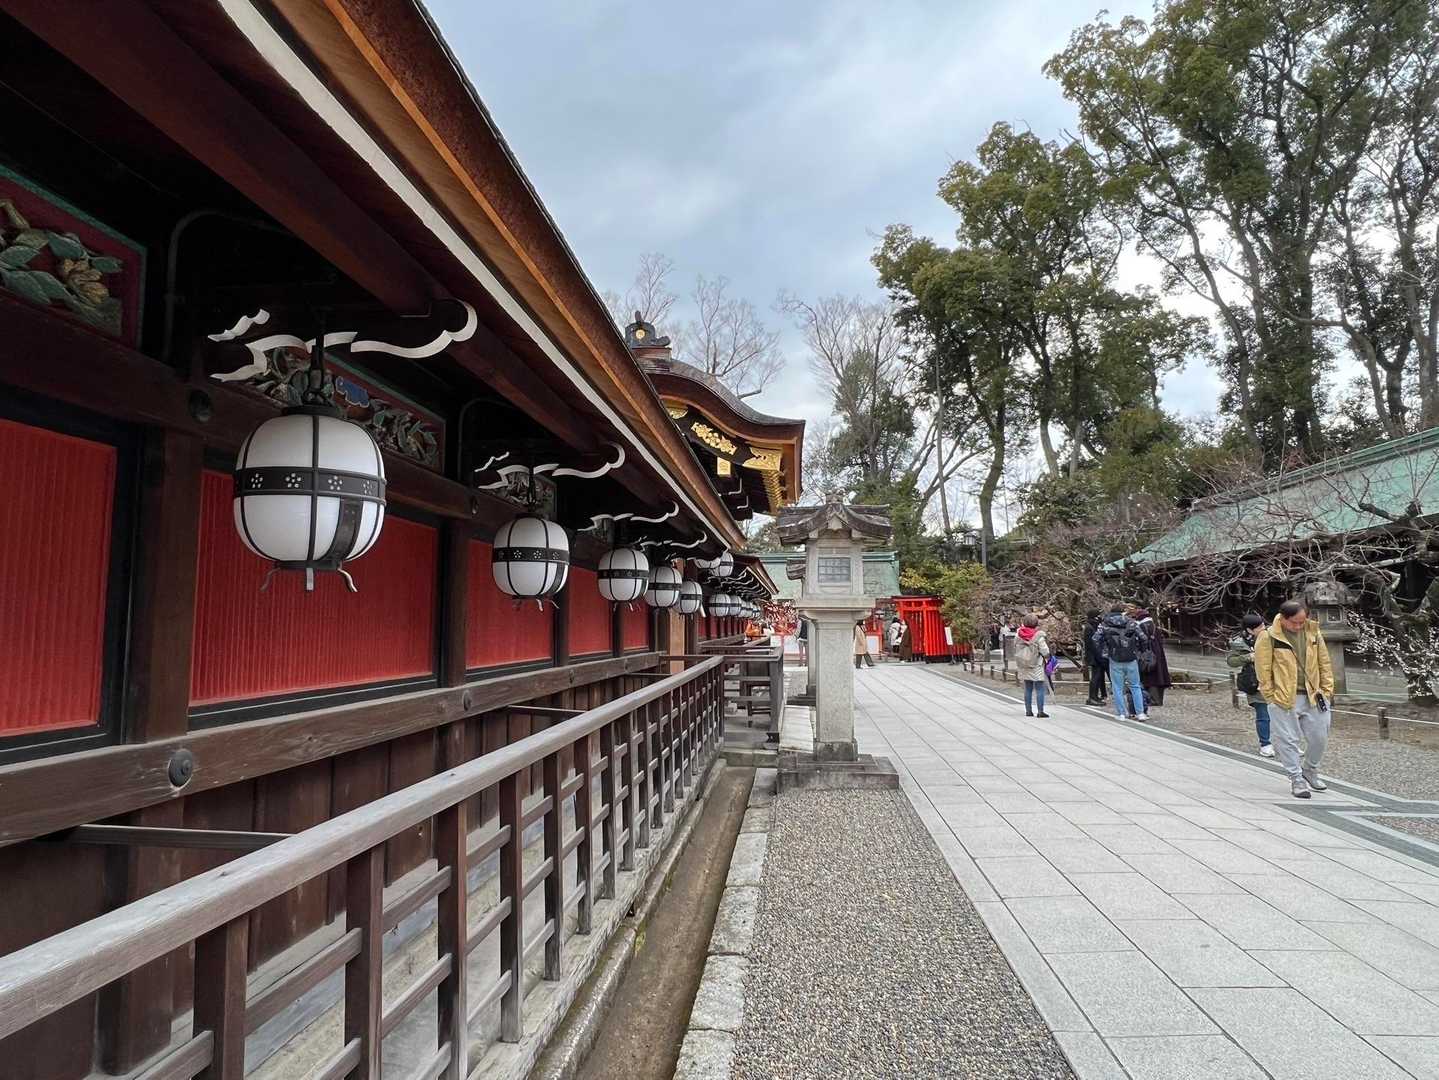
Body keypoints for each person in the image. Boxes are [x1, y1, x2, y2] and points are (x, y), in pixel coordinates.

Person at [1255, 599, 1334, 799]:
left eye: (1302, 621)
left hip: (1314, 694)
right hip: (1283, 696)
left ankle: (1310, 769)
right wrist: (1270, 696)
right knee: (1288, 740)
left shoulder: (1313, 632)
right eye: (1294, 622)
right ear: (1283, 618)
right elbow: (1263, 670)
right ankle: (1296, 778)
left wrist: (1327, 690)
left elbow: (1324, 662)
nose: (1298, 626)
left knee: (1320, 737)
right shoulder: (1268, 636)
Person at [1228, 614, 1275, 758]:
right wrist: (1249, 657)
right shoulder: (1240, 643)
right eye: (1259, 627)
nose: (1263, 628)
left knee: (1284, 714)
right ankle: (1265, 744)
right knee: (1263, 714)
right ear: (1249, 630)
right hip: (1255, 681)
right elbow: (1231, 661)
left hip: (1275, 680)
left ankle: (1288, 743)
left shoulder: (1271, 636)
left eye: (1263, 625)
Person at [1093, 605, 1150, 722]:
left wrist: (1104, 652)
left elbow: (1095, 639)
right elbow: (1143, 638)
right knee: (1135, 685)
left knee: (1117, 687)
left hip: (1114, 657)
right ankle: (1140, 713)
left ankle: (1121, 713)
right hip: (1131, 657)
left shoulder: (1105, 624)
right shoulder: (1132, 622)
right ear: (1122, 612)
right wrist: (1140, 651)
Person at [1134, 607, 1173, 707]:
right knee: (1159, 675)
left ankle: (1152, 699)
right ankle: (1159, 699)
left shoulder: (1140, 627)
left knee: (1150, 677)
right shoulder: (1155, 627)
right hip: (1158, 654)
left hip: (1147, 655)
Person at [1015, 613, 1052, 718]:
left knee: (1028, 687)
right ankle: (1040, 711)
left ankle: (1028, 711)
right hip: (1036, 663)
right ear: (1036, 623)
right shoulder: (1038, 636)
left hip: (1023, 662)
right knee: (1039, 687)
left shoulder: (1018, 635)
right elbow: (1045, 651)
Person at [1082, 608, 1108, 706]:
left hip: (1096, 656)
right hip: (1094, 657)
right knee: (1095, 677)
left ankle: (1095, 696)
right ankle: (1092, 697)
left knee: (1098, 676)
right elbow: (1091, 644)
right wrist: (1099, 656)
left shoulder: (1093, 626)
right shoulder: (1089, 628)